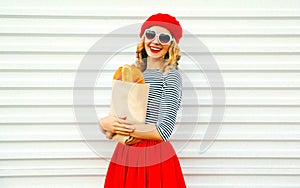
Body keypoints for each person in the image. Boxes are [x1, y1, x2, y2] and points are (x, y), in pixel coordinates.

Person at [99, 13, 187, 188]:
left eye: (164, 37)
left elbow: (163, 131)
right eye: (150, 34)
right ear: (143, 38)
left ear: (171, 44)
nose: (155, 41)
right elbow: (114, 124)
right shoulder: (130, 72)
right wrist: (104, 124)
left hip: (155, 157)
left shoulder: (171, 75)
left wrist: (117, 126)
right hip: (125, 154)